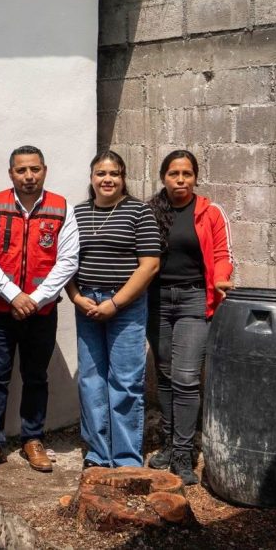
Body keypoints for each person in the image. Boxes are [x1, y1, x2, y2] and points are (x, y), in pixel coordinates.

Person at [0, 146, 79, 474]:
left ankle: (33, 439)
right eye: (21, 170)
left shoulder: (62, 209)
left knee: (35, 377)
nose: (29, 176)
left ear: (44, 170)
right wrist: (15, 296)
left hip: (41, 313)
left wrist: (36, 299)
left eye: (35, 169)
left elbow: (68, 260)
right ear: (11, 173)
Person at [66, 150, 160, 468]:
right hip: (87, 304)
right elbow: (66, 263)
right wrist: (76, 297)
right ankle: (97, 453)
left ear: (123, 179)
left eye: (114, 174)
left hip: (126, 307)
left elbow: (149, 266)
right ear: (91, 178)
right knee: (91, 381)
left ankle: (126, 457)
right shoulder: (76, 214)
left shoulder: (139, 212)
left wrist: (116, 303)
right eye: (101, 173)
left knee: (125, 381)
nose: (107, 179)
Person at [145, 149, 234, 485]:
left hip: (195, 299)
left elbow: (222, 252)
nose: (180, 180)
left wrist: (222, 277)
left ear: (195, 177)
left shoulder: (210, 212)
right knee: (164, 374)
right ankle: (168, 444)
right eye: (173, 174)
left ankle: (183, 453)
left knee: (185, 376)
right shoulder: (151, 211)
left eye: (186, 174)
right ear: (163, 177)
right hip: (157, 300)